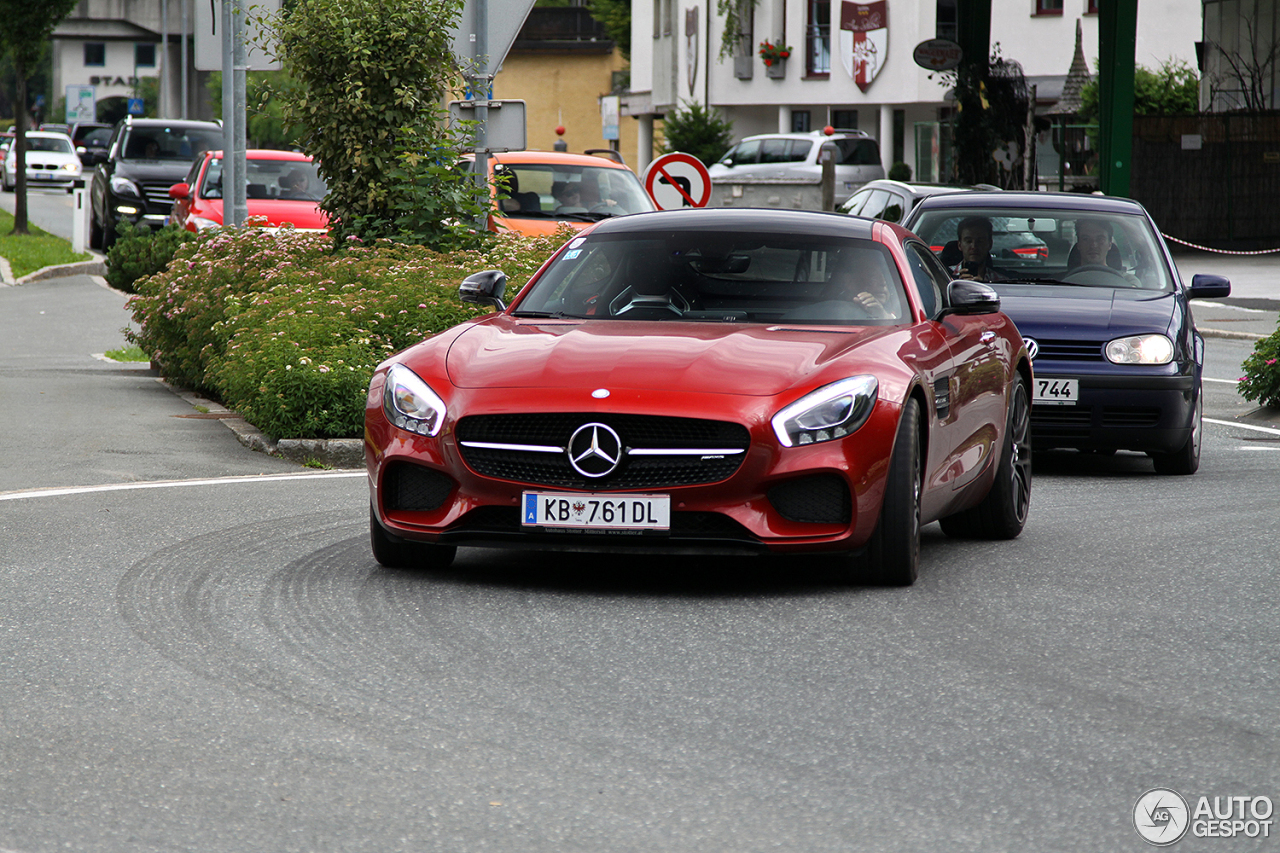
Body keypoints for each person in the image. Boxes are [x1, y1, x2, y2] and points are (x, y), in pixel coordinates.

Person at [952, 216, 1007, 282]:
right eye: (969, 241)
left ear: (990, 244)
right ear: (959, 245)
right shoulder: (944, 277)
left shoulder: (1001, 281)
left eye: (980, 241)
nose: (974, 247)